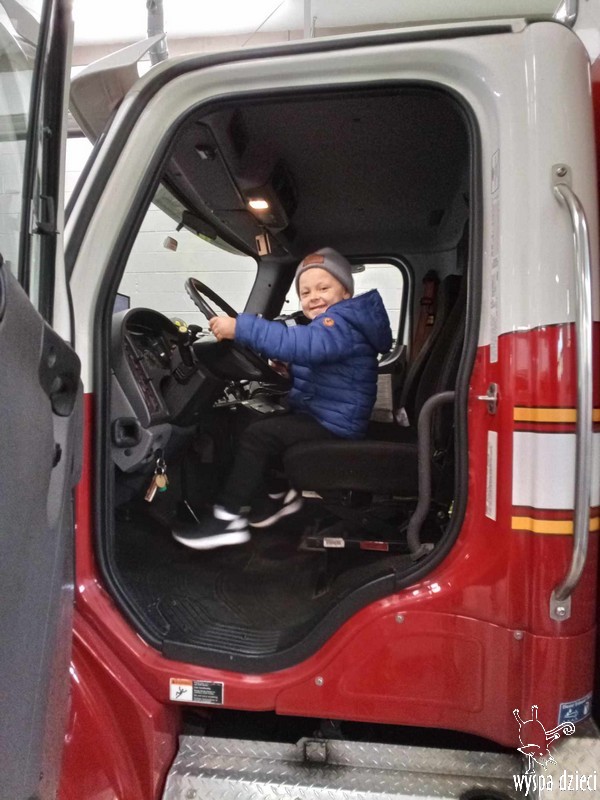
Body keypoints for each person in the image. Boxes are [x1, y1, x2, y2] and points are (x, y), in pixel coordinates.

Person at [172, 247, 392, 550]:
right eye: (305, 292)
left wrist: (240, 327)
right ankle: (275, 499)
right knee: (256, 422)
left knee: (259, 436)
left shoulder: (341, 323)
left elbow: (303, 343)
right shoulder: (340, 324)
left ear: (345, 292)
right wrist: (287, 369)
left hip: (334, 425)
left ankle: (227, 520)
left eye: (324, 288)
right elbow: (319, 361)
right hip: (326, 413)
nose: (313, 297)